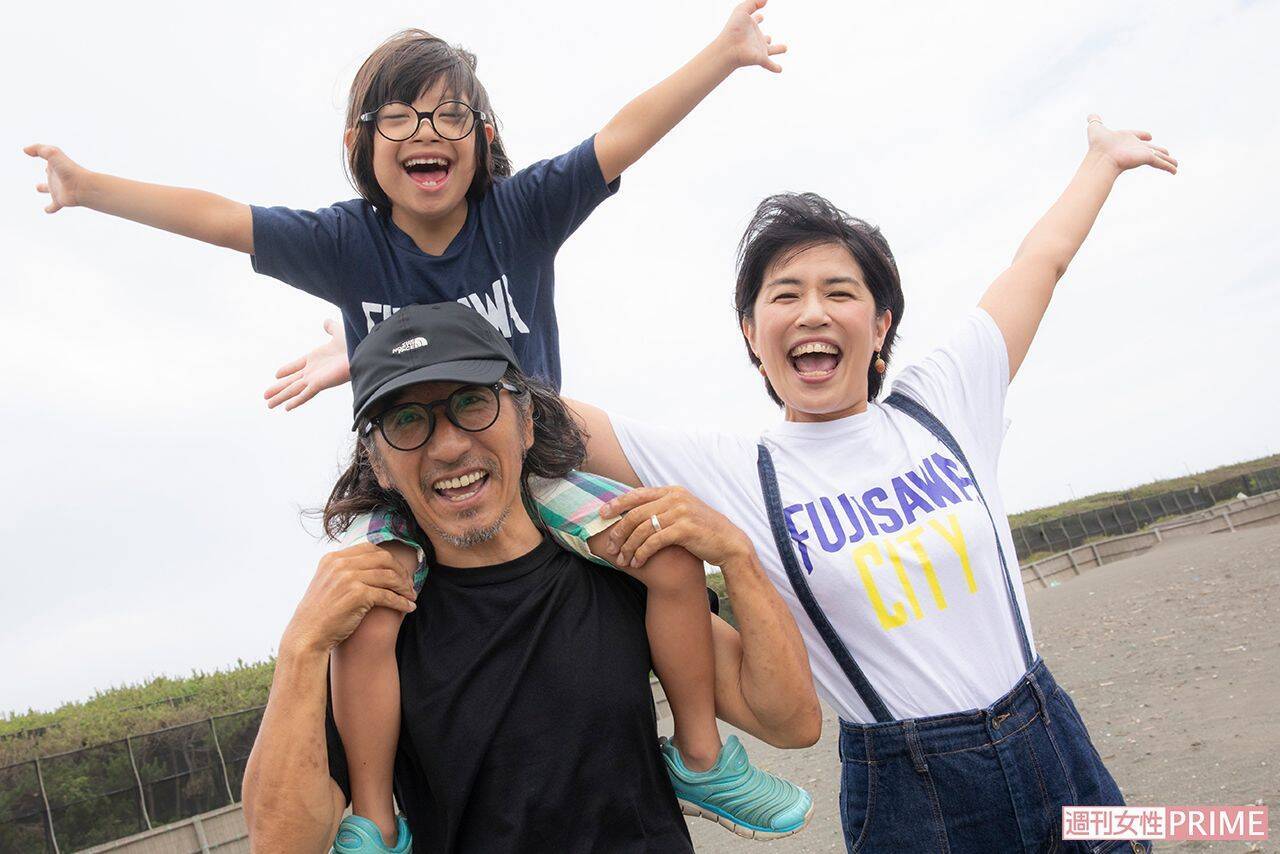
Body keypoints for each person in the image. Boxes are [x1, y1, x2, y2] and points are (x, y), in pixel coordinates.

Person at [23, 3, 813, 845]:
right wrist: (89, 187)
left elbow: (622, 133)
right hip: (407, 481)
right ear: (361, 145)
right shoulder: (346, 243)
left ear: (483, 135)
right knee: (368, 610)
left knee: (662, 551)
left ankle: (699, 755)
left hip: (535, 458)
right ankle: (375, 816)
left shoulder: (521, 214)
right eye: (394, 117)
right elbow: (218, 217)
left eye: (445, 114)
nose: (421, 132)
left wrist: (723, 55)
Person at [564, 116, 1174, 852]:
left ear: (881, 325)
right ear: (751, 334)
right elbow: (553, 420)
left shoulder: (943, 401)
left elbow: (1039, 262)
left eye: (840, 292)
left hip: (1055, 736)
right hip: (910, 794)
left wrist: (1102, 162)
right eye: (784, 295)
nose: (813, 312)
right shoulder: (736, 468)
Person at [240, 302, 821, 852]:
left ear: (525, 421)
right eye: (406, 420)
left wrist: (740, 558)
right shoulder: (378, 624)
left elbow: (792, 723)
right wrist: (301, 647)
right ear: (379, 463)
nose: (447, 446)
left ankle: (703, 764)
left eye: (472, 403)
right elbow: (281, 845)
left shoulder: (620, 570)